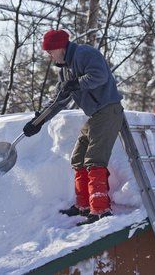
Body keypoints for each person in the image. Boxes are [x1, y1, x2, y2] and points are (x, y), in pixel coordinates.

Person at [23, 29, 124, 226]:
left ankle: (100, 210)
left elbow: (100, 76)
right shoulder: (65, 69)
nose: (49, 55)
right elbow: (59, 100)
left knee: (94, 159)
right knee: (78, 158)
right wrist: (38, 122)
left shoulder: (85, 54)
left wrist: (76, 84)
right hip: (95, 115)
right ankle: (84, 205)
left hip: (108, 110)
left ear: (60, 47)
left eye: (50, 51)